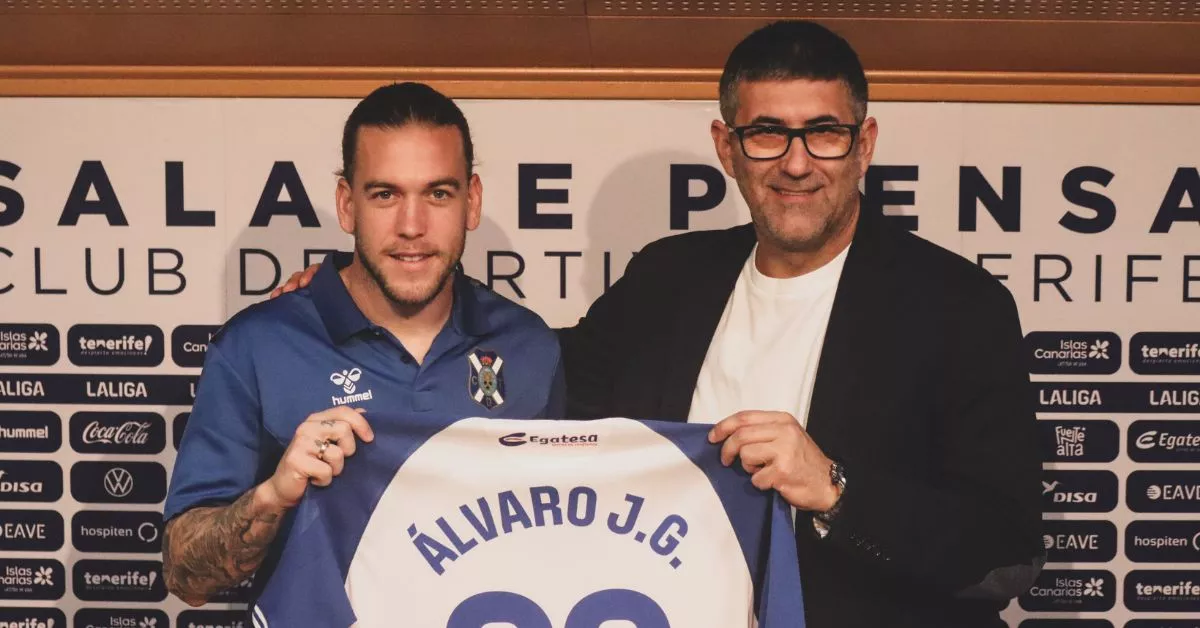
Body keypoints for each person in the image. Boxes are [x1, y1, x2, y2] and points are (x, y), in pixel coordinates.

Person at [275, 21, 1044, 627]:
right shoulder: (668, 279)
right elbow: (533, 369)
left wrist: (835, 490)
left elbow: (1007, 556)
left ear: (864, 145)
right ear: (727, 148)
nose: (796, 162)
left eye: (824, 132)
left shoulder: (958, 307)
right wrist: (361, 291)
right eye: (766, 133)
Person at [162, 82, 565, 607]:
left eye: (438, 194)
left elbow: (561, 543)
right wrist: (274, 495)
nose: (412, 227)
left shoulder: (530, 346)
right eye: (385, 195)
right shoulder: (257, 346)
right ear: (347, 205)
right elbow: (185, 576)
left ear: (472, 201)